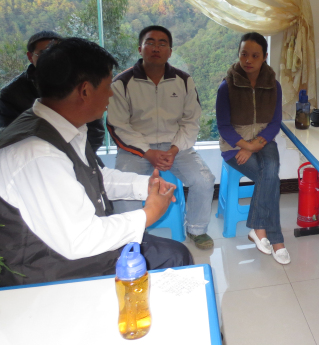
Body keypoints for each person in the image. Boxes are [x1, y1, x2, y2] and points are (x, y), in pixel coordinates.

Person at [0, 38, 192, 288]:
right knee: (174, 257)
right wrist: (148, 214)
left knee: (171, 251)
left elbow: (92, 175)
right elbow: (81, 239)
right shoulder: (39, 154)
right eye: (107, 85)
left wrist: (145, 185)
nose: (111, 94)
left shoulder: (57, 124)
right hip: (49, 268)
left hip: (67, 245)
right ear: (85, 91)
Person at [107, 25, 216, 250]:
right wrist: (147, 152)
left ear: (170, 51)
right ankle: (132, 236)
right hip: (136, 148)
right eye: (150, 43)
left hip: (174, 146)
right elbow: (118, 125)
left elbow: (191, 121)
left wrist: (174, 149)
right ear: (140, 49)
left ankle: (196, 229)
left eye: (162, 44)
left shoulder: (184, 81)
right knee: (124, 188)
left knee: (204, 179)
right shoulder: (122, 83)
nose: (156, 48)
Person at [215, 32, 289, 265]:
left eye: (255, 55)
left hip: (263, 141)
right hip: (234, 146)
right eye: (244, 54)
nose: (248, 60)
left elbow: (275, 122)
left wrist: (255, 145)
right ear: (238, 54)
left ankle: (258, 229)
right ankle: (275, 239)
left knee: (271, 170)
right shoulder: (227, 87)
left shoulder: (273, 85)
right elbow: (223, 126)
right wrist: (246, 145)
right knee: (271, 179)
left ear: (264, 57)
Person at [0, 30, 106, 154]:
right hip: (34, 157)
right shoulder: (11, 94)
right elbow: (8, 136)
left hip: (80, 155)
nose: (52, 57)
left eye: (58, 52)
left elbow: (96, 131)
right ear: (30, 57)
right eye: (43, 53)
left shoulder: (81, 85)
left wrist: (78, 156)